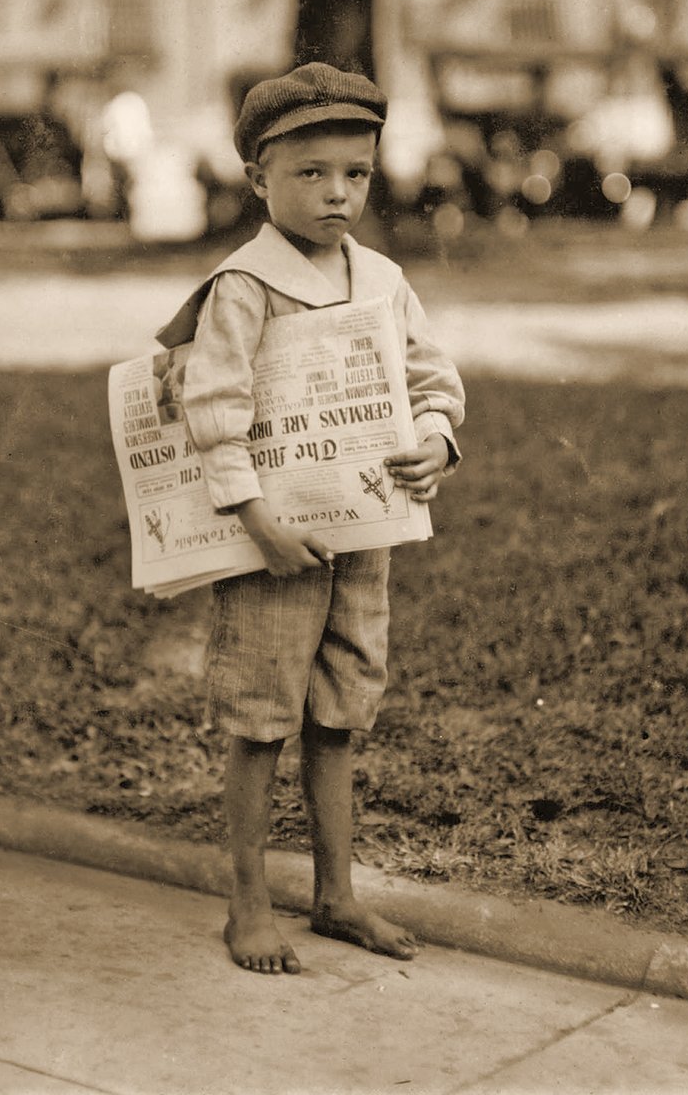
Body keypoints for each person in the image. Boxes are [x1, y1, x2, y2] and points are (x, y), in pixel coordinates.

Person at [155, 62, 466, 975]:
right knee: (260, 720)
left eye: (356, 174)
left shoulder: (380, 277)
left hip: (361, 538)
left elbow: (431, 380)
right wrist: (255, 518)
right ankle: (247, 903)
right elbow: (213, 409)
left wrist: (437, 440)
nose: (338, 193)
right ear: (258, 178)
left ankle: (337, 897)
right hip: (271, 547)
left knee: (340, 714)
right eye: (310, 173)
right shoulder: (244, 285)